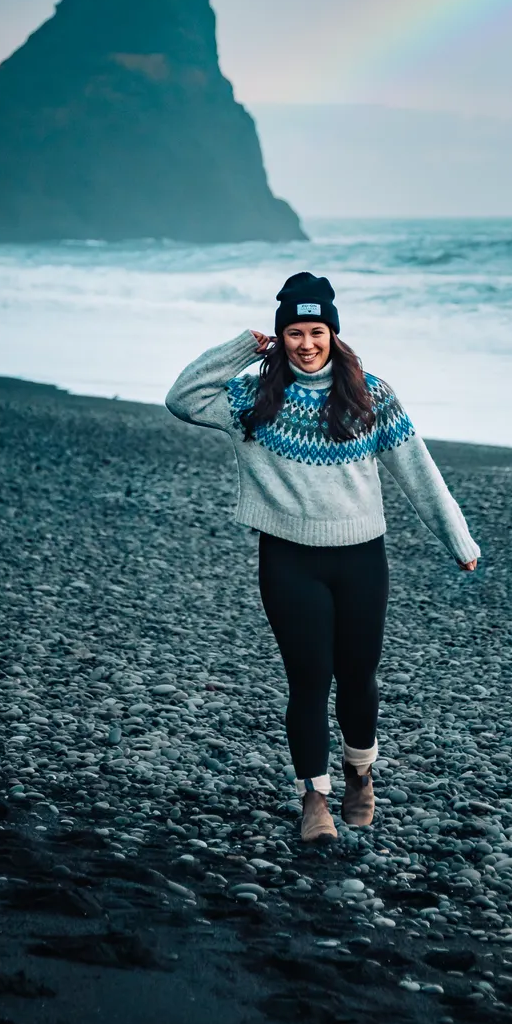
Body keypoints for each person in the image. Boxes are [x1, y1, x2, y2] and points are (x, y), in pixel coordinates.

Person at [165, 272, 480, 843]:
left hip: (360, 559)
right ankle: (315, 797)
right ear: (280, 337)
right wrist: (243, 347)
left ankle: (360, 775)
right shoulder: (252, 399)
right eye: (293, 333)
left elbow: (417, 471)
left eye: (316, 332)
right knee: (309, 680)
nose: (306, 344)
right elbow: (181, 398)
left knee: (358, 677)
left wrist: (457, 538)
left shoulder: (369, 395)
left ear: (333, 334)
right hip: (288, 559)